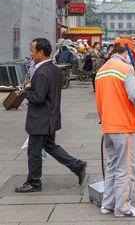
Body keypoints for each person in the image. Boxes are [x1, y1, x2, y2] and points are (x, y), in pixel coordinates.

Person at [15, 38, 87, 193]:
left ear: (41, 52)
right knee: (51, 146)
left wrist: (27, 90)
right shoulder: (53, 69)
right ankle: (77, 165)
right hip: (50, 116)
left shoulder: (41, 72)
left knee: (34, 152)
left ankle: (34, 182)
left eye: (33, 49)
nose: (31, 52)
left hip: (40, 119)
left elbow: (38, 98)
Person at [95, 43, 135, 217]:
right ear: (126, 52)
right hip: (123, 124)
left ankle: (107, 204)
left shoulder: (102, 69)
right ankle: (123, 207)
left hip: (108, 124)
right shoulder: (124, 68)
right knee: (126, 168)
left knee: (113, 166)